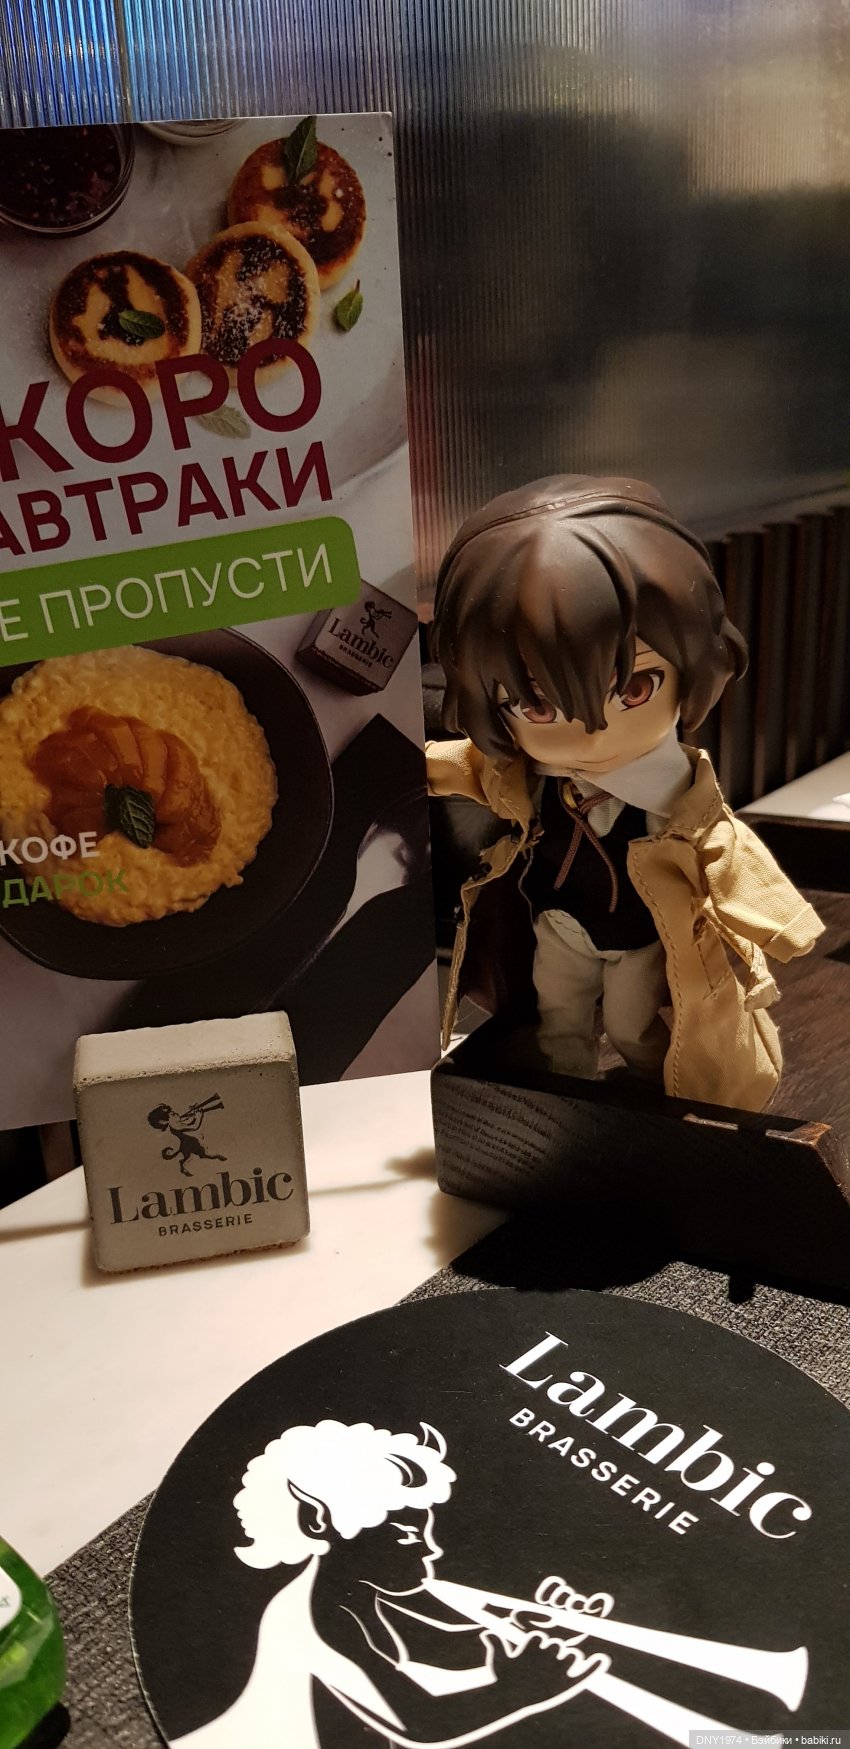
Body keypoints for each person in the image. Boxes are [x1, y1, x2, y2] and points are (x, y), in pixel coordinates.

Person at [428, 475, 823, 1111]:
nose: (591, 731)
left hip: (640, 934)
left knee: (632, 1026)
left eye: (635, 688)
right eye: (536, 705)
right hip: (558, 923)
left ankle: (652, 1100)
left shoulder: (678, 798)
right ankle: (562, 1100)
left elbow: (730, 854)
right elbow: (470, 767)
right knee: (559, 1015)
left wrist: (776, 924)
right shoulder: (529, 777)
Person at [172, 1419, 607, 1748]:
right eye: (407, 1534)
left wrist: (526, 1625)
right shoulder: (313, 1615)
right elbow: (417, 1721)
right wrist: (518, 1691)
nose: (431, 1549)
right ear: (319, 1521)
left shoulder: (362, 1596)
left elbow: (448, 1637)